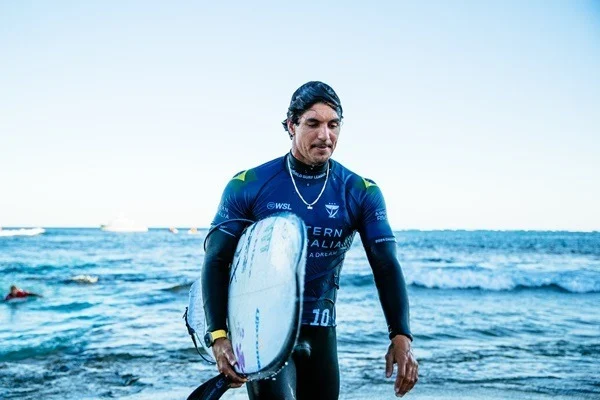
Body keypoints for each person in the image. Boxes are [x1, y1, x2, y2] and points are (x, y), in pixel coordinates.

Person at [201, 81, 418, 399]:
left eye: (333, 125)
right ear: (291, 125)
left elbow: (385, 264)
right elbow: (217, 260)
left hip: (322, 332)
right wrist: (219, 336)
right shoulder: (249, 184)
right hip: (264, 334)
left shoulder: (360, 191)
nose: (325, 135)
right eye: (313, 123)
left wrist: (401, 335)